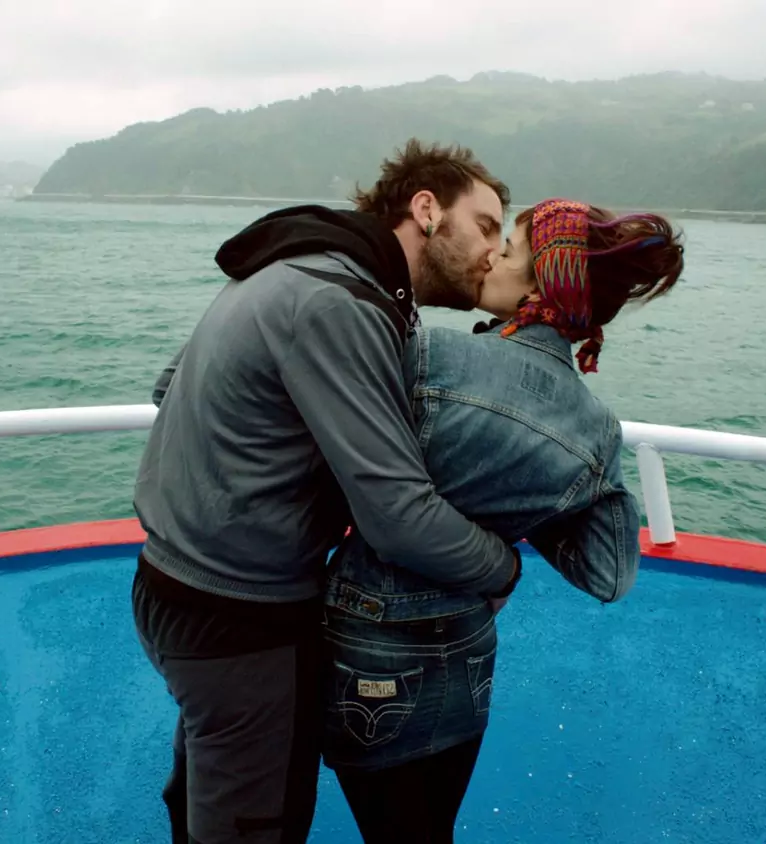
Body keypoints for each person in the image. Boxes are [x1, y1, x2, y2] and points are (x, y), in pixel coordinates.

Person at [131, 139, 528, 844]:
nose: (495, 253)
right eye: (487, 226)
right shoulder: (342, 301)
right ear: (427, 209)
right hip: (242, 617)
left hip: (170, 583)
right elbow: (398, 516)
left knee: (209, 794)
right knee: (258, 824)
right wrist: (502, 568)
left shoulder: (298, 262)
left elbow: (171, 387)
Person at [319, 199, 686, 843]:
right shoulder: (597, 430)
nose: (491, 256)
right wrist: (532, 494)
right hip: (468, 648)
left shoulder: (425, 352)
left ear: (542, 284)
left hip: (369, 641)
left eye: (510, 249)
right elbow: (609, 574)